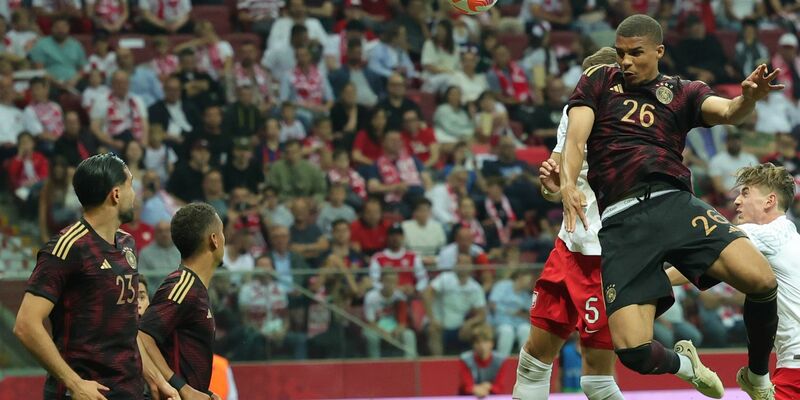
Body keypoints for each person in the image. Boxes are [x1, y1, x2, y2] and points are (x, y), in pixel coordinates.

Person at [560, 14, 781, 398]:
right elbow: (576, 139)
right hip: (620, 225)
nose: (625, 62)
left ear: (659, 51)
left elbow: (729, 113)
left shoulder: (682, 91)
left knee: (762, 281)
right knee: (633, 353)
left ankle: (757, 377)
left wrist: (748, 97)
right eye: (622, 54)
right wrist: (567, 184)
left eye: (635, 54)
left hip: (674, 205)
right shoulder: (598, 80)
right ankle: (687, 365)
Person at [14, 153, 178, 400]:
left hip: (130, 391)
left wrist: (155, 379)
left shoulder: (127, 243)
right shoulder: (67, 247)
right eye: (130, 185)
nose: (134, 195)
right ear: (116, 194)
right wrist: (74, 383)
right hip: (86, 394)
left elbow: (127, 327)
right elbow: (26, 324)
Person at [139, 202, 226, 400]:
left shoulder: (195, 288)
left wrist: (202, 392)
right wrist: (183, 389)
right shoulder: (182, 285)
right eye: (221, 232)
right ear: (214, 240)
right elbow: (142, 336)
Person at [459, 325, 513, 397]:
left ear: (492, 343)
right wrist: (476, 389)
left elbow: (500, 387)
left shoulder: (500, 361)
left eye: (485, 342)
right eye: (478, 342)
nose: (482, 346)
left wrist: (489, 387)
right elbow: (466, 386)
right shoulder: (465, 359)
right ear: (473, 345)